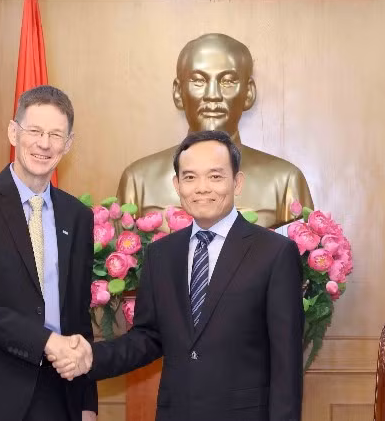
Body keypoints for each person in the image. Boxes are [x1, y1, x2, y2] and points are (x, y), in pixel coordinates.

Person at [54, 130, 304, 420]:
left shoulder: (274, 253)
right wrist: (91, 357)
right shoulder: (161, 254)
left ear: (237, 182)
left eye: (215, 176)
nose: (202, 188)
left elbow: (287, 362)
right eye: (190, 177)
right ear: (177, 185)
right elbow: (148, 337)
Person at [0, 85, 97, 421]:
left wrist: (87, 404)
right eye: (34, 131)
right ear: (14, 132)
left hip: (58, 393)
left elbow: (79, 316)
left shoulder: (78, 216)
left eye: (55, 135)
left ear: (68, 144)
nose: (44, 143)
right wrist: (44, 341)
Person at [117, 33, 313, 229]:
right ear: (178, 92)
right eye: (198, 81)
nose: (213, 95)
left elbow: (299, 247)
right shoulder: (139, 180)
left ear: (248, 93)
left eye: (227, 81)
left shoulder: (285, 181)